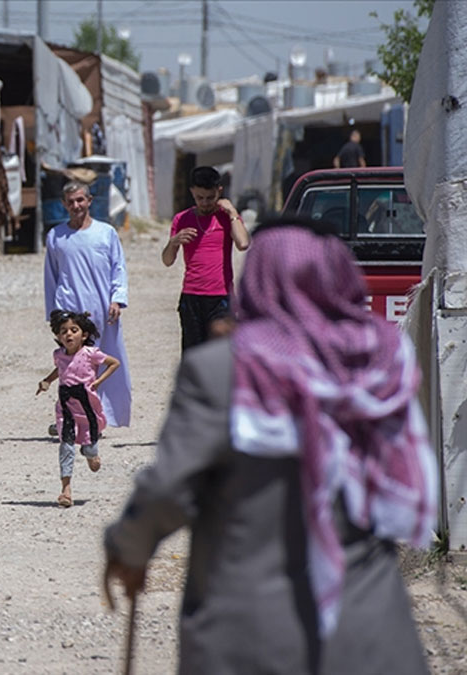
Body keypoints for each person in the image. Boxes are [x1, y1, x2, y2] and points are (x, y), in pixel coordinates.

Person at [101, 217, 436, 673]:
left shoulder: (223, 370)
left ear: (255, 278)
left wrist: (129, 548)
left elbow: (166, 491)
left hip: (252, 639)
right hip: (372, 637)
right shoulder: (381, 365)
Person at [43, 181, 132, 429]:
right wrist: (54, 314)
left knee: (101, 360)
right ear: (64, 204)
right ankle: (72, 417)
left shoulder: (106, 233)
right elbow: (51, 277)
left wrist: (117, 299)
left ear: (89, 201)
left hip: (102, 308)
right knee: (72, 365)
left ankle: (102, 415)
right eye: (70, 201)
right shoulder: (56, 236)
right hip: (69, 310)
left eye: (80, 200)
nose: (76, 205)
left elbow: (119, 268)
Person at [35, 311, 120, 507]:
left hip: (87, 406)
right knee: (66, 444)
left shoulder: (91, 353)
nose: (69, 335)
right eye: (63, 331)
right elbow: (61, 369)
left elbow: (114, 363)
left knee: (89, 447)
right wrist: (47, 381)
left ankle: (91, 454)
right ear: (57, 336)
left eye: (74, 330)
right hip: (66, 406)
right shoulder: (58, 355)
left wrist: (97, 381)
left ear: (83, 335)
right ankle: (66, 491)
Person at [161, 166, 251, 351]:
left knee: (222, 352)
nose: (205, 203)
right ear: (192, 192)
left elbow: (243, 243)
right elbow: (167, 261)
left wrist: (233, 213)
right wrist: (174, 242)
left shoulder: (227, 217)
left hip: (220, 296)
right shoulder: (182, 219)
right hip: (191, 295)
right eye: (199, 198)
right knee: (193, 353)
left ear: (219, 191)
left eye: (210, 198)